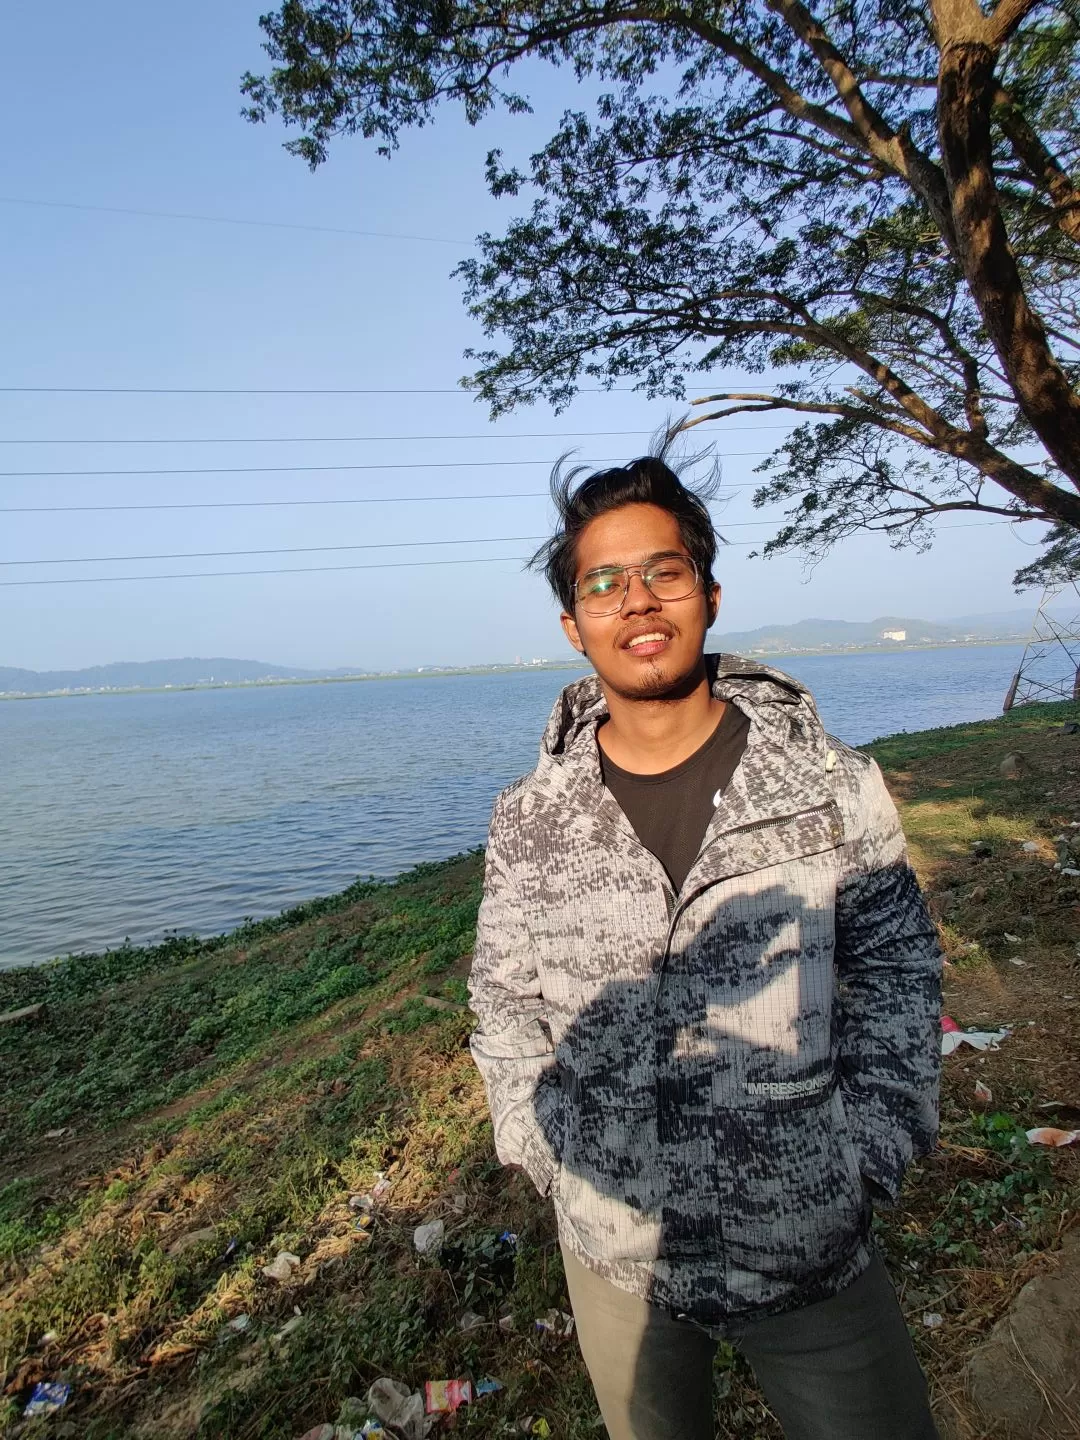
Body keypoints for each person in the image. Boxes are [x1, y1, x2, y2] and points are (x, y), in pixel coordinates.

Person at [467, 450, 942, 1440]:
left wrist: (870, 1152)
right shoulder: (531, 819)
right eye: (604, 581)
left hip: (812, 1245)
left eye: (664, 570)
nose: (636, 599)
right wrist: (550, 1150)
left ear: (710, 595)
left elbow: (898, 968)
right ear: (573, 624)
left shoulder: (830, 786)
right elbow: (503, 1004)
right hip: (616, 1254)